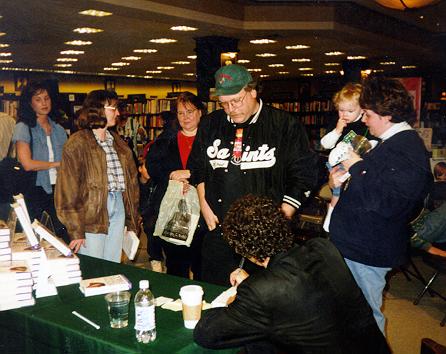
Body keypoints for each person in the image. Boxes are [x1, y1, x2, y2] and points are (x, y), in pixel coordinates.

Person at [193, 194, 390, 354]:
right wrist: (256, 284)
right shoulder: (323, 248)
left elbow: (206, 334)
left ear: (244, 249)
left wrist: (242, 293)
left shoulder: (261, 290)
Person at [188, 64, 318, 286]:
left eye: (237, 100)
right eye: (224, 103)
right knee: (216, 294)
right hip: (219, 227)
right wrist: (203, 204)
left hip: (264, 234)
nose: (231, 108)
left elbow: (304, 174)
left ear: (253, 92)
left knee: (263, 299)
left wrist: (279, 219)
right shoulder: (211, 124)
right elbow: (198, 167)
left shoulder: (284, 125)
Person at [328, 77, 432, 334]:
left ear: (387, 116)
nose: (364, 120)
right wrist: (337, 184)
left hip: (368, 250)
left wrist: (358, 167)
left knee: (366, 317)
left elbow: (390, 203)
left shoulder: (407, 148)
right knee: (350, 313)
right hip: (357, 244)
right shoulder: (391, 144)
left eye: (369, 115)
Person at [55, 90, 139, 263]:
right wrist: (75, 230)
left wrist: (132, 222)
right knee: (94, 266)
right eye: (113, 108)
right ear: (98, 109)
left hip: (118, 206)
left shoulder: (119, 143)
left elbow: (132, 186)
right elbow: (67, 190)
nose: (117, 113)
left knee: (113, 263)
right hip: (91, 211)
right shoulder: (77, 143)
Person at [146, 92, 205, 278]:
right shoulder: (166, 139)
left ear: (200, 112)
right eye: (180, 113)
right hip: (173, 208)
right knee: (176, 263)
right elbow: (152, 166)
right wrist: (171, 175)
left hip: (204, 210)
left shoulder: (211, 138)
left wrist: (191, 176)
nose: (185, 117)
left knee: (202, 263)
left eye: (190, 111)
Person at [12, 81, 68, 239]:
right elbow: (27, 164)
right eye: (38, 99)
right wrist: (56, 164)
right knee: (38, 236)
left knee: (61, 235)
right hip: (34, 190)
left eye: (47, 98)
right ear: (29, 103)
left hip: (59, 189)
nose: (44, 103)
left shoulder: (59, 129)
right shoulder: (23, 127)